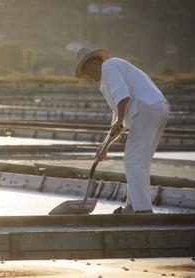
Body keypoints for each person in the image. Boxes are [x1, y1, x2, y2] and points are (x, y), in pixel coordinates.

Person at [75, 47, 169, 214]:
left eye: (88, 75)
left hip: (145, 109)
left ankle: (142, 210)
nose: (90, 79)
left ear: (91, 66)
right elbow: (118, 116)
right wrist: (105, 145)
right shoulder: (108, 77)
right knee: (140, 162)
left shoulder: (109, 67)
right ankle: (133, 206)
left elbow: (124, 98)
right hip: (157, 108)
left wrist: (119, 120)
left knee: (133, 161)